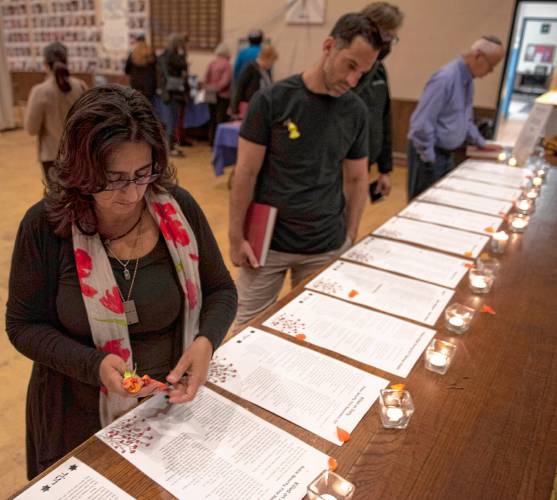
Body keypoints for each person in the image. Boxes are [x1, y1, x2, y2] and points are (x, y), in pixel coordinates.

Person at [6, 85, 237, 479]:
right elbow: (22, 326)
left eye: (142, 174)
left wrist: (205, 341)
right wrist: (93, 365)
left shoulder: (177, 209)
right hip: (77, 417)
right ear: (81, 171)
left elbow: (221, 290)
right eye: (112, 179)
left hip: (167, 411)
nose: (131, 194)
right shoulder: (45, 227)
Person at [229, 13, 383, 328]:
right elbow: (245, 173)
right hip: (268, 245)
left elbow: (356, 178)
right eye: (350, 66)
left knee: (314, 330)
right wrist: (235, 236)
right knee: (242, 328)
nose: (353, 81)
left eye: (363, 73)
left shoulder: (355, 111)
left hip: (325, 244)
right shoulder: (272, 100)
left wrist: (350, 237)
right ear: (329, 46)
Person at [407, 36, 505, 200]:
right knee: (423, 205)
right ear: (478, 56)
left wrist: (481, 143)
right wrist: (429, 159)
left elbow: (465, 119)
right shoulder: (446, 78)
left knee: (440, 202)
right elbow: (421, 123)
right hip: (429, 153)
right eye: (491, 66)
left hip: (445, 153)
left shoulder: (467, 80)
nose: (490, 72)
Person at [354, 2, 404, 200]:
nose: (390, 43)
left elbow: (384, 117)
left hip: (367, 161)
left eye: (393, 38)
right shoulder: (350, 71)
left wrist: (385, 169)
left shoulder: (380, 70)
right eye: (388, 36)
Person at [24, 42, 87, 181]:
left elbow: (31, 129)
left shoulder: (40, 91)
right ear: (67, 60)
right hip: (79, 153)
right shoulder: (80, 86)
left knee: (58, 200)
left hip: (52, 156)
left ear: (45, 63)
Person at [158, 34, 189, 157]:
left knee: (169, 120)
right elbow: (184, 66)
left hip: (165, 92)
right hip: (174, 92)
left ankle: (170, 146)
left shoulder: (163, 56)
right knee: (172, 121)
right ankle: (170, 148)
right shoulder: (175, 57)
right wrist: (184, 53)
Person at [230, 44, 278, 117]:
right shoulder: (250, 68)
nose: (272, 64)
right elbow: (240, 88)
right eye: (272, 61)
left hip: (261, 107)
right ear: (266, 58)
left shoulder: (266, 71)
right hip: (249, 107)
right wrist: (235, 109)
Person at [204, 42, 232, 146]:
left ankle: (211, 141)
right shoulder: (227, 64)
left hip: (210, 93)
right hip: (222, 95)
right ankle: (219, 142)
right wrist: (217, 88)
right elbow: (226, 81)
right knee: (220, 119)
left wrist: (210, 89)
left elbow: (205, 78)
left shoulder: (212, 63)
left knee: (212, 119)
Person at [125, 34, 157, 103]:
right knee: (149, 105)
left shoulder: (133, 54)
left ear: (137, 42)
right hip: (149, 84)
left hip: (136, 84)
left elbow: (127, 70)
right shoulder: (151, 53)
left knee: (138, 104)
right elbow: (156, 69)